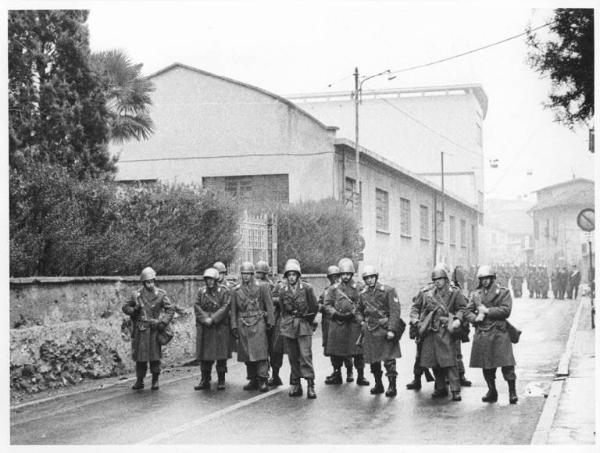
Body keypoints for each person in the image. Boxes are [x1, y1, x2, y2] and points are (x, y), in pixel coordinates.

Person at [465, 265, 518, 404]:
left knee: (507, 364)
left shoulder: (503, 292)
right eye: (482, 279)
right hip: (483, 332)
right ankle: (492, 390)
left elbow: (506, 310)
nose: (485, 281)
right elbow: (467, 311)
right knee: (486, 365)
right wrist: (475, 318)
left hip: (499, 332)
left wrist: (487, 311)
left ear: (492, 278)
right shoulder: (476, 294)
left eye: (487, 278)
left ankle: (512, 392)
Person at [415, 264, 467, 401]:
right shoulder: (428, 294)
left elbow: (462, 308)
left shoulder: (454, 292)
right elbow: (419, 308)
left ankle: (455, 390)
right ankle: (440, 387)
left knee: (449, 361)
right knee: (435, 362)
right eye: (435, 280)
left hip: (447, 329)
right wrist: (418, 321)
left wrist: (457, 319)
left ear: (445, 279)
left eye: (440, 279)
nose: (437, 282)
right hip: (432, 330)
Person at [122, 267, 175, 391]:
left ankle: (155, 380)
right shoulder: (136, 295)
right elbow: (125, 307)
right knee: (140, 358)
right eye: (147, 282)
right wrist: (134, 310)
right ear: (143, 283)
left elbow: (170, 309)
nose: (150, 284)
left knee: (155, 357)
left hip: (154, 329)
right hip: (141, 330)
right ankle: (139, 380)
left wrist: (163, 322)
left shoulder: (161, 294)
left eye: (152, 281)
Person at [323, 258, 369, 387]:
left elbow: (365, 303)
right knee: (336, 351)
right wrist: (336, 313)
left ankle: (360, 375)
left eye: (348, 274)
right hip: (338, 323)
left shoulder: (359, 287)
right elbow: (327, 305)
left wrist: (358, 315)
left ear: (352, 274)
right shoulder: (333, 289)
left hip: (354, 323)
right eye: (343, 274)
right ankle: (337, 373)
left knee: (358, 352)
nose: (345, 277)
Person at [356, 265, 402, 397]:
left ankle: (392, 385)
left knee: (389, 359)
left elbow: (395, 311)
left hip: (385, 328)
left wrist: (392, 329)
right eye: (367, 278)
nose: (369, 280)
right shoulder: (363, 294)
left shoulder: (388, 290)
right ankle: (378, 384)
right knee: (373, 359)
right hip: (370, 330)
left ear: (376, 277)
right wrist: (362, 322)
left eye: (371, 277)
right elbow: (358, 310)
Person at [230, 261, 274, 392]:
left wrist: (270, 322)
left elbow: (269, 306)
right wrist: (234, 326)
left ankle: (263, 379)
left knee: (260, 353)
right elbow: (234, 310)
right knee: (247, 354)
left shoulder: (263, 287)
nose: (245, 277)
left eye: (248, 274)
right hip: (243, 323)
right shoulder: (236, 290)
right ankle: (253, 378)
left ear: (252, 274)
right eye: (243, 274)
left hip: (259, 321)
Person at [277, 260, 319, 399]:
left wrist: (309, 321)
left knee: (305, 355)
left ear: (298, 275)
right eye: (289, 275)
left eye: (294, 274)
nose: (291, 277)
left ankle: (310, 385)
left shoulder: (307, 288)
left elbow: (314, 307)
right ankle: (296, 384)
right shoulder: (283, 290)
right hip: (289, 325)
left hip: (303, 324)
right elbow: (283, 309)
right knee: (293, 356)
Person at [194, 268, 232, 391]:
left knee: (221, 355)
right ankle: (205, 379)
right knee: (205, 356)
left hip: (219, 326)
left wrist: (214, 319)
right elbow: (197, 305)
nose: (209, 282)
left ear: (216, 280)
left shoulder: (224, 291)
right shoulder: (201, 291)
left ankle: (221, 380)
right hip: (206, 327)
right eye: (207, 279)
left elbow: (226, 306)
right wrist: (205, 318)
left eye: (211, 279)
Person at [255, 260, 284, 387]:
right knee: (262, 349)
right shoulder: (256, 285)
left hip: (273, 320)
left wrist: (271, 300)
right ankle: (263, 375)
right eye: (258, 272)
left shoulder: (272, 286)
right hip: (260, 320)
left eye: (262, 273)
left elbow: (278, 300)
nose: (259, 275)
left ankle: (275, 375)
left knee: (274, 350)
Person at [406, 283, 436, 390]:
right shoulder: (425, 291)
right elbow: (415, 307)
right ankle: (417, 379)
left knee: (442, 356)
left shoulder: (450, 290)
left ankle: (442, 382)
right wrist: (415, 320)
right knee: (419, 355)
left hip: (440, 328)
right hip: (424, 327)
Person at [319, 265, 343, 382]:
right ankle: (336, 371)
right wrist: (322, 307)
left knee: (346, 347)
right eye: (332, 277)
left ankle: (350, 372)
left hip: (342, 321)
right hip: (329, 322)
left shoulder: (343, 289)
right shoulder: (326, 291)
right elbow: (319, 303)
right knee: (332, 349)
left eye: (336, 276)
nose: (334, 279)